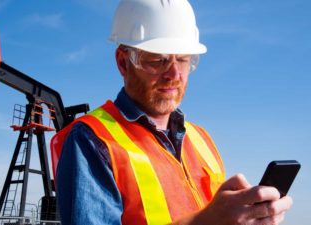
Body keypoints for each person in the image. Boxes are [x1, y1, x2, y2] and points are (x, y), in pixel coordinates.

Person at [51, 0, 293, 224]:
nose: (174, 75)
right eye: (158, 60)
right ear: (123, 63)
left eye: (184, 60)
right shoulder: (92, 139)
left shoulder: (201, 139)